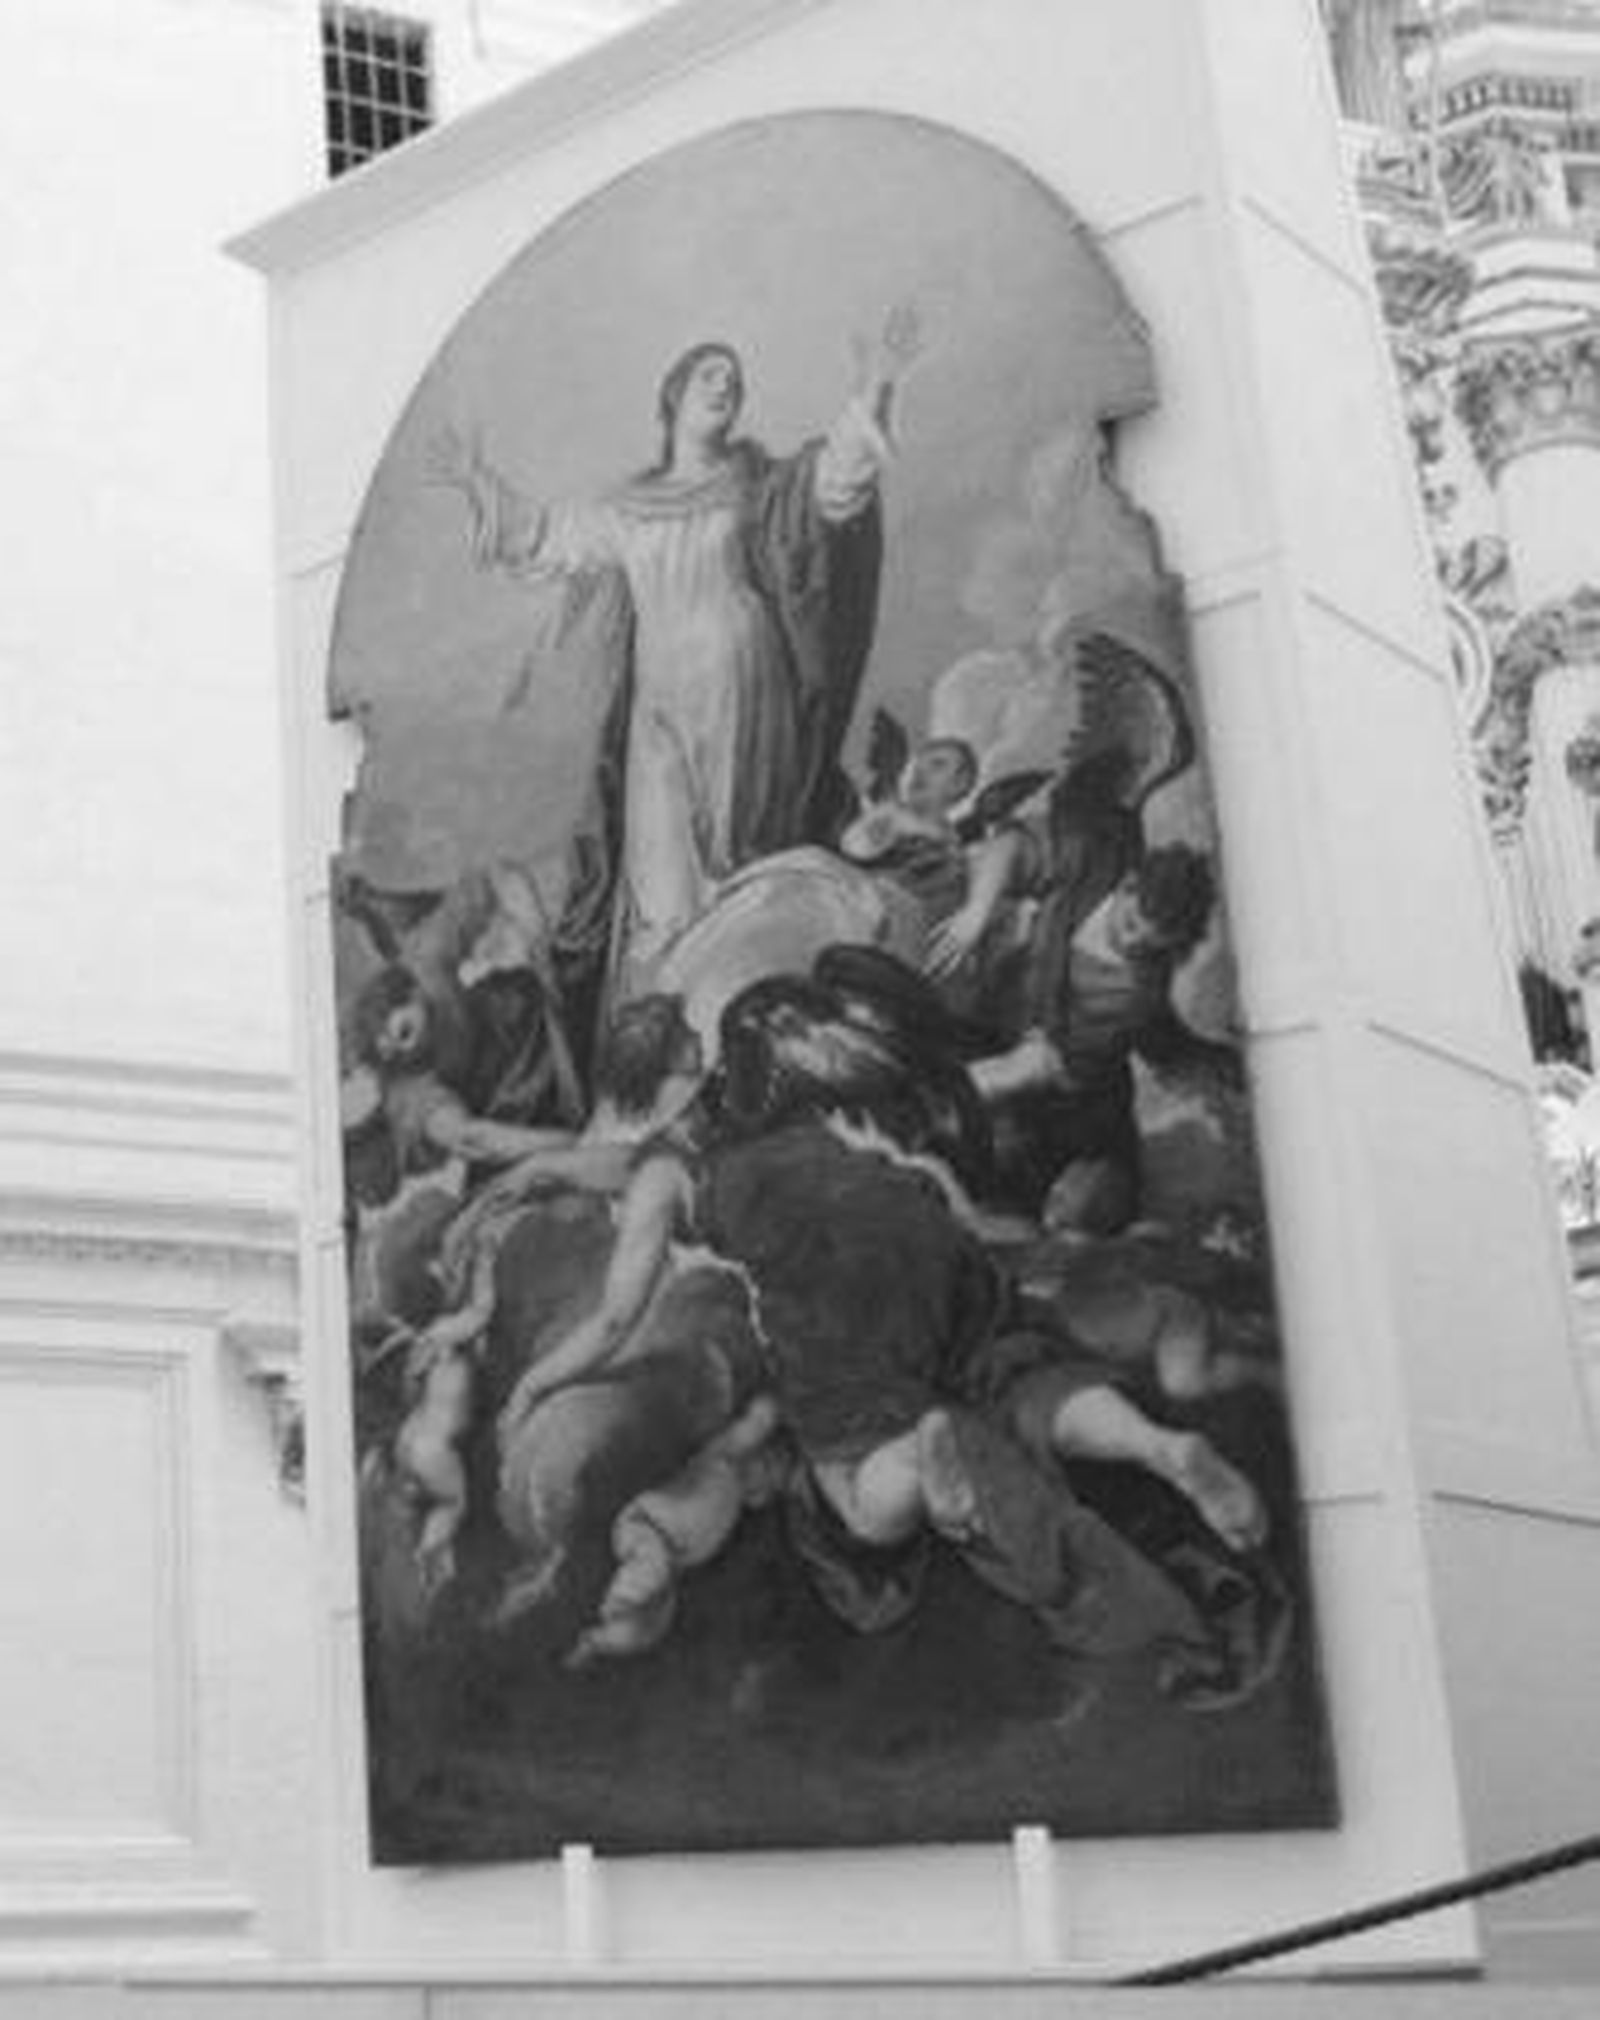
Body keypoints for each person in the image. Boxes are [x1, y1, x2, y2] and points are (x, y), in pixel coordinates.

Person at [430, 310, 922, 998]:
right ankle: (666, 1016)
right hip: (658, 705)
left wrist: (875, 384)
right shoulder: (631, 507)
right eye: (709, 375)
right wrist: (476, 479)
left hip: (744, 691)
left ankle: (741, 997)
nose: (724, 386)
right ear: (674, 397)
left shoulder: (759, 484)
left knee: (732, 864)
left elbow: (838, 483)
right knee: (659, 878)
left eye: (733, 380)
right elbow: (545, 536)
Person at [972, 843, 1242, 1230]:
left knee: (1081, 1205)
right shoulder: (1085, 877)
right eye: (1131, 924)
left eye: (1150, 945)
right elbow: (1010, 847)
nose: (1133, 944)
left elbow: (1152, 1044)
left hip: (1076, 1107)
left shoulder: (1139, 990)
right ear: (1126, 888)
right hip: (999, 1029)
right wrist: (977, 910)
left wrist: (1217, 1062)